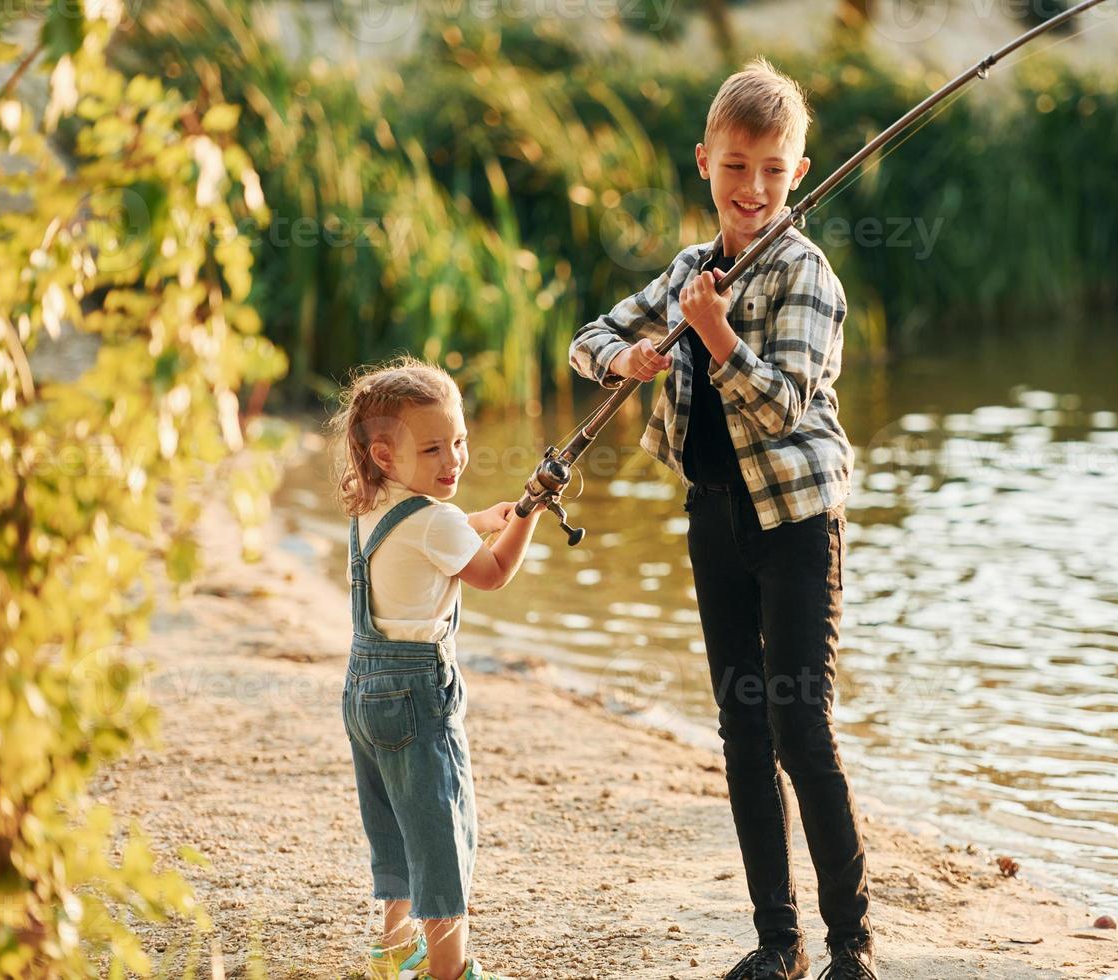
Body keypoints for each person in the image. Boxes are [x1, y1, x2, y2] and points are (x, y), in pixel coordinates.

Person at [569, 58, 877, 980]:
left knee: (799, 728)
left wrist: (716, 337)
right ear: (706, 162)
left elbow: (784, 405)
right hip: (715, 518)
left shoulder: (807, 277)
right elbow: (589, 337)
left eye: (773, 171)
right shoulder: (688, 271)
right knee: (742, 728)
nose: (753, 189)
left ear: (799, 173)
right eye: (737, 167)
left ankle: (851, 944)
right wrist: (624, 362)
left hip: (795, 524)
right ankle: (776, 942)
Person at [327, 356, 543, 980]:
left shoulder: (372, 507)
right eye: (433, 449)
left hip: (365, 689)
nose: (453, 461)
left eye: (459, 442)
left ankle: (394, 948)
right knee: (442, 833)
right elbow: (494, 573)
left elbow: (432, 542)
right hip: (418, 696)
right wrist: (527, 514)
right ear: (388, 456)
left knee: (394, 824)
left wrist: (484, 521)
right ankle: (449, 970)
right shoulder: (437, 520)